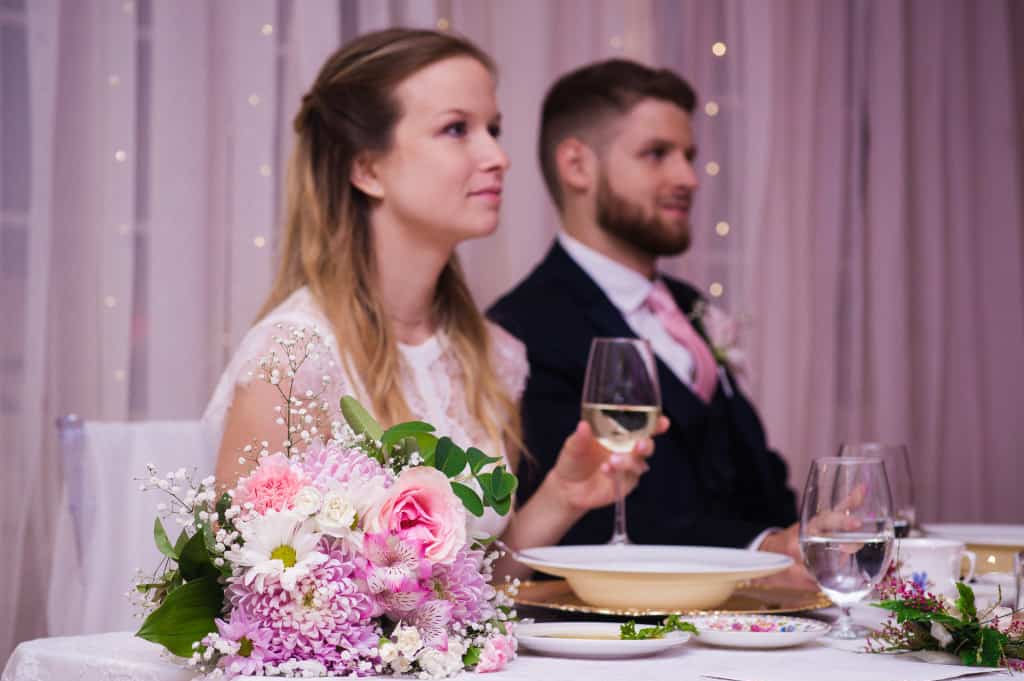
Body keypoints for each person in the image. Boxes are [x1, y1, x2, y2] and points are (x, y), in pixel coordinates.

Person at [203, 30, 667, 577]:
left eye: (493, 129)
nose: (498, 156)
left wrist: (562, 494)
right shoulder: (292, 360)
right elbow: (243, 594)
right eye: (456, 129)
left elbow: (473, 589)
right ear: (367, 170)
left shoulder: (493, 356)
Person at [488, 58, 810, 586]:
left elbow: (751, 466)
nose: (688, 178)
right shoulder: (521, 326)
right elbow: (593, 520)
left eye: (689, 156)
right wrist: (760, 550)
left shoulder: (688, 306)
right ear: (577, 166)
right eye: (656, 154)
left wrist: (800, 534)